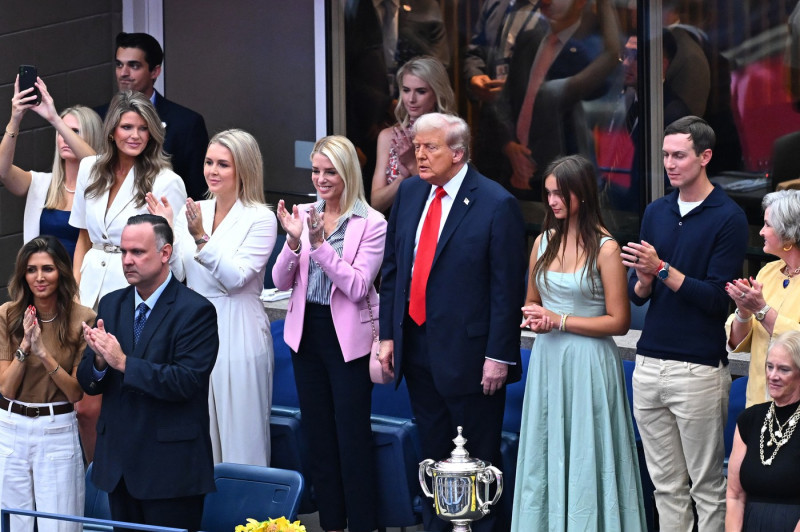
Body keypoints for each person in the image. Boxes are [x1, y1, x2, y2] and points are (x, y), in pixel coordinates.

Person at [378, 113, 526, 532]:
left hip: (472, 360)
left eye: (430, 148)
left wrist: (499, 355)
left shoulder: (497, 203)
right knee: (433, 456)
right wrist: (388, 335)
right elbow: (394, 270)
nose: (418, 155)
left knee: (476, 465)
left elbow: (506, 290)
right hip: (417, 349)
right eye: (417, 146)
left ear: (458, 154)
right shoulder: (409, 194)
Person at [621, 115, 749, 530]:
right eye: (664, 155)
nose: (669, 164)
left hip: (697, 368)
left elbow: (717, 300)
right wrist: (643, 281)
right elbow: (638, 294)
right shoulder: (656, 211)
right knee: (665, 487)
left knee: (706, 487)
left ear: (705, 157)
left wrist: (660, 270)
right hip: (649, 363)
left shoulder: (727, 217)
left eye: (679, 155)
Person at [512, 155, 646, 530]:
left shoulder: (606, 248)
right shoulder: (542, 241)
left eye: (561, 193)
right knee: (546, 446)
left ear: (582, 195)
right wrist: (536, 317)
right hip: (548, 358)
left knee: (589, 449)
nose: (553, 201)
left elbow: (619, 321)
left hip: (590, 359)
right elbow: (532, 300)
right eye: (549, 193)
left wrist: (561, 320)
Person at [272, 135, 386, 532]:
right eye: (316, 171)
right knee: (318, 437)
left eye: (329, 172)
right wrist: (292, 241)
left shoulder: (371, 223)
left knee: (351, 438)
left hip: (348, 340)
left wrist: (318, 245)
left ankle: (364, 524)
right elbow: (280, 279)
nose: (320, 179)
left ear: (347, 173)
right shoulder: (303, 213)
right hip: (306, 335)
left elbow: (357, 286)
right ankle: (333, 525)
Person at [76, 214, 218, 532]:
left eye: (137, 252)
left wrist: (123, 362)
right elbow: (88, 380)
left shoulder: (196, 311)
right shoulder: (112, 304)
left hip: (170, 472)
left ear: (165, 253)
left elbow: (187, 382)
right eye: (124, 251)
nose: (127, 260)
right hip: (119, 468)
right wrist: (99, 363)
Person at [147, 129, 277, 466]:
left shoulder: (260, 217)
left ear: (243, 170)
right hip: (196, 327)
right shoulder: (196, 208)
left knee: (242, 436)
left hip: (239, 325)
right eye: (208, 162)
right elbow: (177, 274)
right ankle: (208, 517)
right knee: (201, 434)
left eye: (223, 164)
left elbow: (235, 279)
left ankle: (252, 518)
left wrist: (201, 237)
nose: (212, 171)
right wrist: (166, 231)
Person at [0, 236, 95, 532]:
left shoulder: (83, 318)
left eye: (48, 269)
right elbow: (6, 389)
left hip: (56, 428)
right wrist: (25, 346)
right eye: (31, 270)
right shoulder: (8, 314)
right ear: (23, 274)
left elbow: (75, 392)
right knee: (13, 523)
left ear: (62, 272)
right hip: (10, 427)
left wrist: (43, 353)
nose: (39, 277)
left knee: (60, 524)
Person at [70, 90, 187, 310]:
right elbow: (83, 237)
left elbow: (177, 265)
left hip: (135, 294)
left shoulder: (166, 181)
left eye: (143, 128)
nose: (136, 135)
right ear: (112, 131)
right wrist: (75, 291)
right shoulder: (89, 168)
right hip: (87, 291)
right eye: (127, 127)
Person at [493, 0, 620, 197]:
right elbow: (506, 97)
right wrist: (509, 145)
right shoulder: (530, 37)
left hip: (565, 181)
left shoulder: (590, 49)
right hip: (516, 174)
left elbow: (611, 58)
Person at [96, 32, 209, 200]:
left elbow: (198, 193)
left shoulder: (187, 123)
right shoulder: (98, 117)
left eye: (134, 66)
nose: (123, 73)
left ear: (155, 71)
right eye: (119, 65)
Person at [0, 76, 103, 257]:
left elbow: (97, 167)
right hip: (45, 282)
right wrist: (15, 119)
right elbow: (3, 170)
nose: (64, 136)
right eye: (61, 131)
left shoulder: (102, 185)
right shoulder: (41, 184)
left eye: (74, 131)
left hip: (88, 282)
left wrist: (55, 119)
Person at [726, 189, 800, 407]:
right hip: (757, 404)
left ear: (788, 233)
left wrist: (761, 310)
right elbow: (739, 343)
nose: (761, 232)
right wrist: (743, 311)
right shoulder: (767, 272)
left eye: (768, 225)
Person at [726, 331, 800, 530]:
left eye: (784, 369)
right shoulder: (750, 419)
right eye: (769, 367)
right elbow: (734, 495)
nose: (773, 376)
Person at [370, 56, 455, 212]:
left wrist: (411, 163)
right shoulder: (388, 136)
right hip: (396, 226)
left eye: (421, 91)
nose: (411, 99)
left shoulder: (450, 135)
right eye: (406, 90)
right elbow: (376, 203)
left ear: (437, 94)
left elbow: (447, 197)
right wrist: (401, 179)